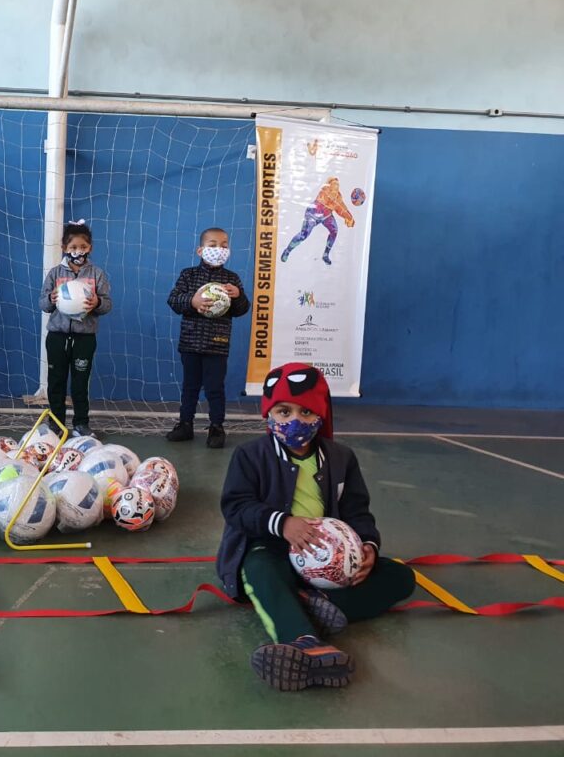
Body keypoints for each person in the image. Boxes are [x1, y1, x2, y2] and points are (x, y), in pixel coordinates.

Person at [216, 363, 415, 691]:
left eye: (306, 412)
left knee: (401, 577)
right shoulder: (250, 456)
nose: (294, 420)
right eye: (283, 411)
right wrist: (283, 525)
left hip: (328, 565)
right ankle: (302, 640)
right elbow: (236, 506)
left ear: (321, 415)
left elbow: (357, 511)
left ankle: (313, 602)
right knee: (259, 568)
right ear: (268, 413)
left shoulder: (341, 458)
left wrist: (367, 546)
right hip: (271, 548)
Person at [165, 228, 249, 448]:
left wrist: (239, 296)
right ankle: (185, 424)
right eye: (212, 245)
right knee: (190, 386)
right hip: (190, 342)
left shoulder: (232, 279)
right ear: (201, 250)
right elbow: (173, 300)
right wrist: (192, 302)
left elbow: (241, 310)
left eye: (224, 245)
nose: (219, 249)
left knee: (215, 387)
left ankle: (216, 427)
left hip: (217, 344)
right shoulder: (188, 275)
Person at [39, 220, 113, 438]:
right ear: (64, 248)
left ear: (89, 248)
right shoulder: (54, 273)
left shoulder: (96, 274)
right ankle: (55, 423)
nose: (77, 251)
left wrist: (97, 303)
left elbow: (107, 305)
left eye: (82, 247)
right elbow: (42, 304)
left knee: (80, 383)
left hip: (84, 338)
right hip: (57, 336)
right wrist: (52, 299)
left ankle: (81, 423)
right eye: (73, 247)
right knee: (56, 382)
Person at [280, 177, 354, 265]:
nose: (336, 186)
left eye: (338, 184)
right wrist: (347, 217)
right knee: (303, 235)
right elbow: (338, 207)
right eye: (334, 184)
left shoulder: (338, 196)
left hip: (326, 216)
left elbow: (342, 206)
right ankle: (287, 250)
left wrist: (350, 217)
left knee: (334, 231)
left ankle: (325, 255)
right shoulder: (325, 190)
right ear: (329, 185)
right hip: (313, 214)